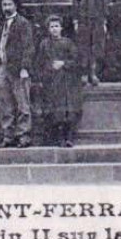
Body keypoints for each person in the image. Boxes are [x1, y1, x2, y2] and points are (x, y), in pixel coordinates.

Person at [35, 15, 83, 147]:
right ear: (48, 29)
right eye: (52, 27)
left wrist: (63, 63)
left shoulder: (68, 43)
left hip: (66, 82)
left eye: (57, 26)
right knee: (54, 110)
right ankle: (58, 137)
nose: (54, 29)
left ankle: (68, 137)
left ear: (61, 28)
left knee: (67, 110)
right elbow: (39, 62)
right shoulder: (44, 44)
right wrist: (48, 68)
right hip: (51, 82)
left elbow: (76, 61)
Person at [0, 0, 34, 148]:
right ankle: (8, 136)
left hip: (18, 69)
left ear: (16, 6)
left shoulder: (23, 23)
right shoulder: (3, 24)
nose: (6, 8)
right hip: (4, 67)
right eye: (4, 5)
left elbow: (28, 47)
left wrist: (24, 68)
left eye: (9, 4)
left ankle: (24, 136)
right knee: (5, 102)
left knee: (22, 103)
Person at [72, 0, 107, 84]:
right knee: (83, 46)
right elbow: (75, 5)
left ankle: (93, 73)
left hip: (97, 22)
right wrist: (76, 21)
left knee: (95, 47)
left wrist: (104, 22)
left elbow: (104, 5)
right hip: (83, 21)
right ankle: (84, 74)